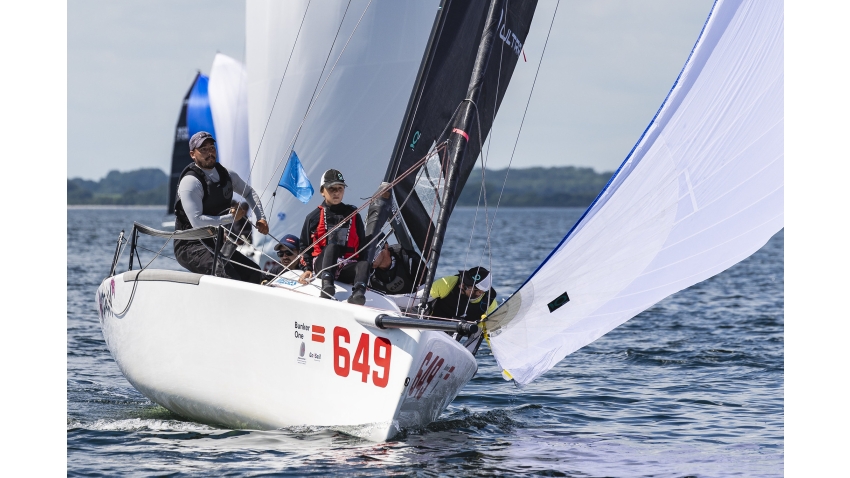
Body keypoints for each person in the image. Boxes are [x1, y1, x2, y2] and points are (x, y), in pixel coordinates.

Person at [173, 131, 269, 284]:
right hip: (189, 247)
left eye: (212, 148)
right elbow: (196, 221)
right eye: (203, 149)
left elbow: (249, 192)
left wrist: (261, 217)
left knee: (255, 274)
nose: (209, 152)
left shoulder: (226, 175)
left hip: (215, 243)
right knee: (228, 276)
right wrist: (231, 218)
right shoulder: (191, 182)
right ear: (193, 154)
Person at [297, 169, 369, 305]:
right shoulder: (313, 217)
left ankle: (359, 293)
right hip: (322, 266)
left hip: (345, 267)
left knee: (364, 263)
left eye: (340, 188)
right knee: (332, 247)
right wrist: (307, 269)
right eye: (331, 189)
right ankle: (327, 286)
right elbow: (304, 247)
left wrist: (363, 275)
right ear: (322, 191)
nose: (336, 192)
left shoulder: (353, 214)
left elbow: (362, 248)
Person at [428, 266, 497, 320]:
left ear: (479, 292)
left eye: (465, 286)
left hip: (454, 336)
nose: (460, 286)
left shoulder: (489, 304)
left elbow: (488, 330)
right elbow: (418, 298)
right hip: (429, 324)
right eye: (462, 281)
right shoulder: (447, 283)